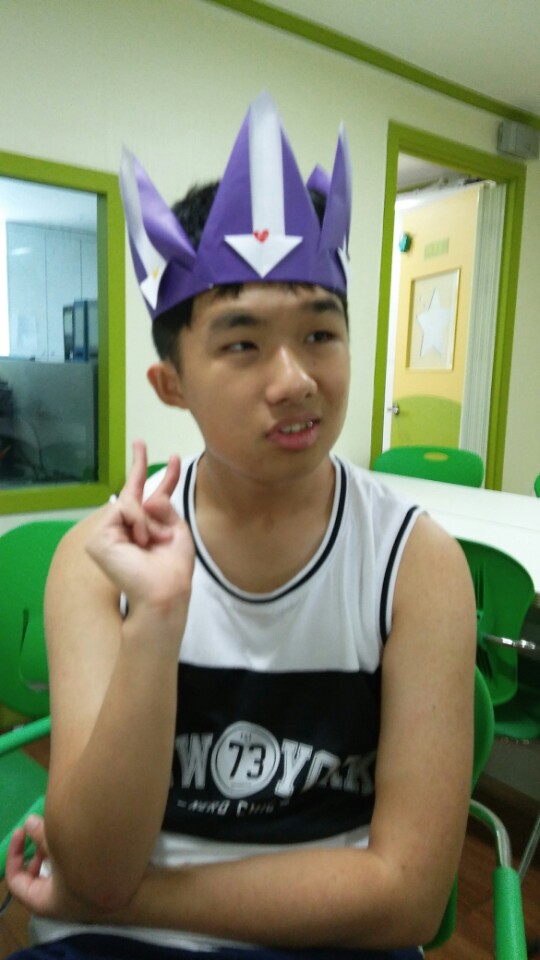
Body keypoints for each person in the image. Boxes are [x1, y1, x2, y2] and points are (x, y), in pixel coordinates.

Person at [5, 93, 477, 960]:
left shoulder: (416, 564)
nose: (295, 378)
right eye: (242, 343)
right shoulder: (98, 563)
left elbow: (408, 901)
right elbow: (97, 860)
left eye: (321, 332)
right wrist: (155, 625)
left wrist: (139, 900)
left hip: (327, 943)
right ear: (171, 385)